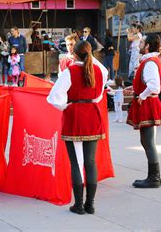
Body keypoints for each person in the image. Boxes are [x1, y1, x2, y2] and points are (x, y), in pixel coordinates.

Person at [47, 40, 108, 215]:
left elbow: (54, 96)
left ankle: (79, 204)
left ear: (74, 54)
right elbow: (98, 96)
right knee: (90, 162)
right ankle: (90, 204)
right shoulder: (98, 70)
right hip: (92, 114)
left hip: (75, 116)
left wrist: (64, 106)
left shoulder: (70, 71)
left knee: (77, 162)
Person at [125, 33, 161, 188]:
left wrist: (141, 95)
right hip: (148, 102)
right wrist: (135, 89)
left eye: (142, 42)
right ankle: (153, 176)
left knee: (148, 141)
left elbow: (154, 85)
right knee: (146, 141)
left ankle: (154, 178)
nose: (139, 44)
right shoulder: (150, 61)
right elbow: (147, 82)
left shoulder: (149, 62)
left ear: (147, 46)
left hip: (148, 103)